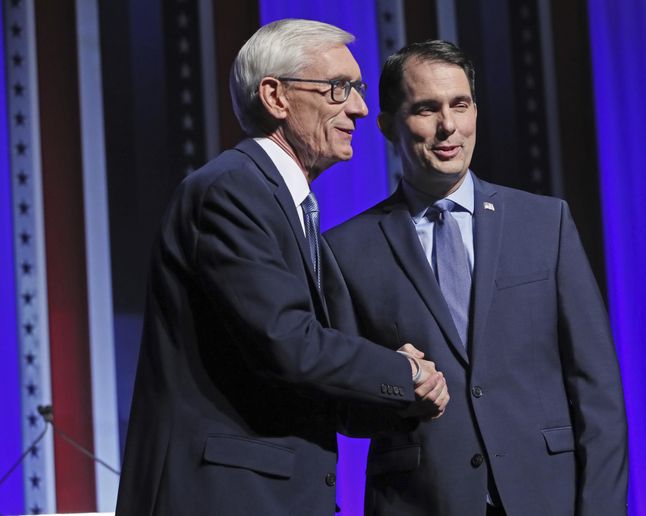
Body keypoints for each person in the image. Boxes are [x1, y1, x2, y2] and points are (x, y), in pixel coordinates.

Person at [115, 20, 448, 516]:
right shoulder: (231, 191)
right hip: (227, 497)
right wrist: (403, 373)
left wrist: (403, 394)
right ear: (275, 96)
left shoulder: (290, 207)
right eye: (339, 88)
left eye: (356, 90)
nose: (358, 107)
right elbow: (288, 343)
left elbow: (307, 378)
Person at [323, 40, 628, 515]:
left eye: (459, 105)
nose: (449, 126)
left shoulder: (546, 223)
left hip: (546, 498)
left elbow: (597, 392)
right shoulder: (344, 251)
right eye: (426, 108)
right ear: (387, 126)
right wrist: (396, 383)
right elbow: (345, 409)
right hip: (421, 502)